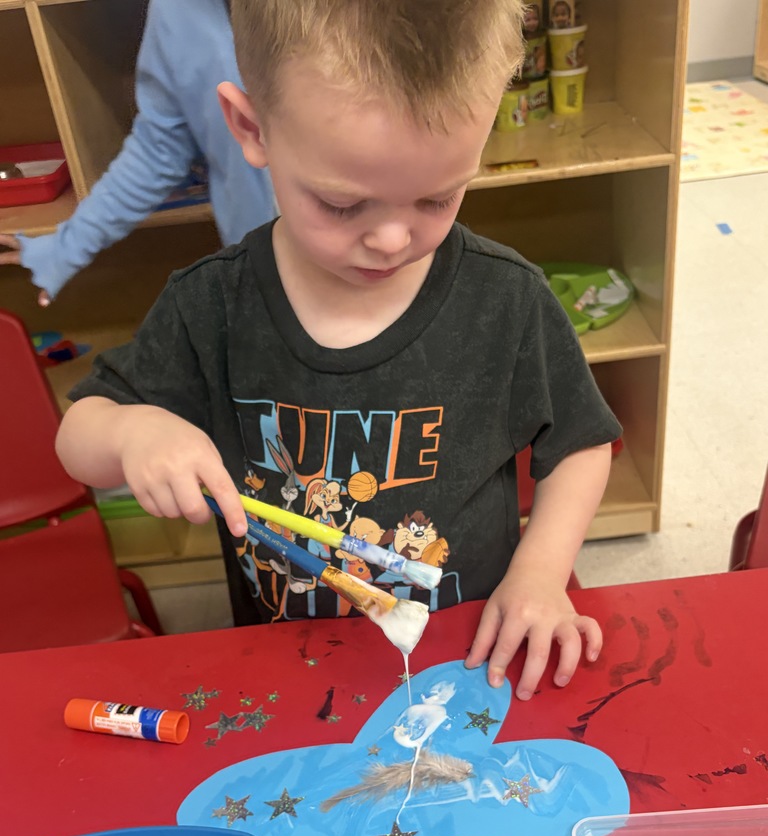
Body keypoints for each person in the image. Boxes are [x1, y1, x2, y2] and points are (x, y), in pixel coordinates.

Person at [56, 0, 621, 701]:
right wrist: (133, 428)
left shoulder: (505, 300)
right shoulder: (212, 306)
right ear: (251, 128)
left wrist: (539, 572)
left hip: (466, 659)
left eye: (438, 199)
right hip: (289, 672)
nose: (392, 240)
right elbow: (77, 437)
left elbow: (581, 443)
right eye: (343, 205)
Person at [0, 0, 275, 305]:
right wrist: (68, 245)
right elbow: (158, 149)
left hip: (331, 281)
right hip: (261, 284)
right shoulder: (177, 11)